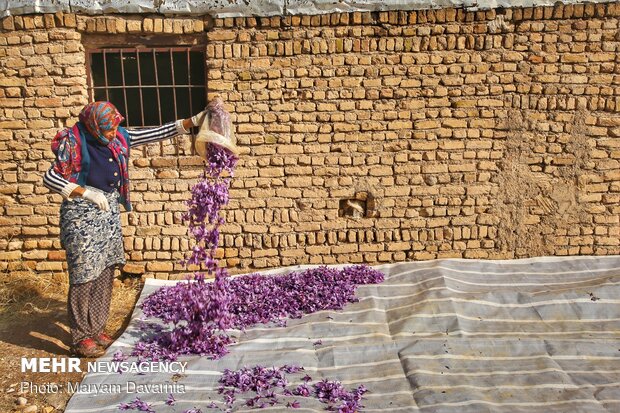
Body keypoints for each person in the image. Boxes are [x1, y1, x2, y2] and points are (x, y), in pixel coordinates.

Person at [43, 101, 207, 357]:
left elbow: (153, 133)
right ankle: (80, 338)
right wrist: (83, 192)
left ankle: (97, 329)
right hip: (80, 215)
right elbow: (50, 177)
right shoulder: (73, 142)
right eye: (108, 130)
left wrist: (191, 122)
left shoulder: (118, 137)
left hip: (107, 213)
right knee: (84, 274)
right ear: (94, 126)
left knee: (106, 270)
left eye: (115, 128)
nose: (112, 134)